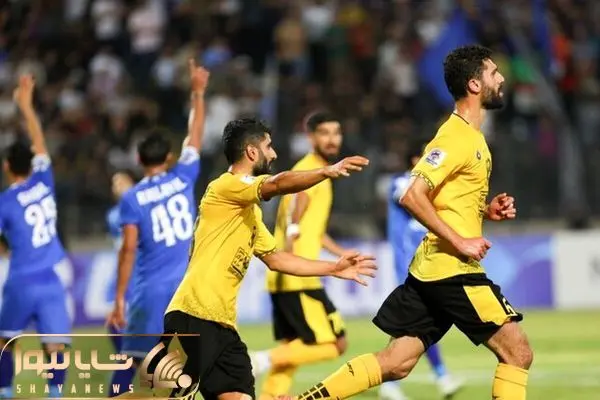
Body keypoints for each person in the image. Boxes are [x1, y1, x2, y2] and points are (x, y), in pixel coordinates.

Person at [281, 45, 532, 400]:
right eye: (493, 72)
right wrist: (460, 241)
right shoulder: (454, 138)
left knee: (396, 363)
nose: (502, 78)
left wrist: (485, 210)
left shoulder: (472, 138)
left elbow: (444, 199)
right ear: (474, 85)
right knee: (518, 353)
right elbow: (412, 196)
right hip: (452, 269)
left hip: (432, 270)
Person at [163, 117, 376, 400]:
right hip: (192, 316)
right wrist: (325, 171)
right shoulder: (225, 186)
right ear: (252, 152)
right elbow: (275, 184)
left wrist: (333, 268)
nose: (273, 153)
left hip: (224, 327)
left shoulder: (249, 212)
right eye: (268, 147)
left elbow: (277, 260)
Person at [105, 59, 208, 396]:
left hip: (151, 290)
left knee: (130, 360)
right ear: (168, 157)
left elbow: (128, 249)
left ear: (138, 160)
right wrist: (198, 93)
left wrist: (119, 298)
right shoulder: (183, 177)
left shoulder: (133, 199)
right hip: (188, 290)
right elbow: (195, 135)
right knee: (194, 365)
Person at [250, 112, 357, 400]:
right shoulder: (312, 171)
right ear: (310, 137)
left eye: (336, 132)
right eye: (324, 133)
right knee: (336, 343)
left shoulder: (311, 171)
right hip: (300, 276)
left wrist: (342, 253)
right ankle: (260, 360)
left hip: (286, 276)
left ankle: (270, 396)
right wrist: (293, 235)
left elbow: (316, 231)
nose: (332, 139)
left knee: (293, 346)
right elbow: (298, 207)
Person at [0, 75, 71, 398]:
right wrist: (27, 107)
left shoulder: (6, 201)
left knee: (5, 340)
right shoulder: (44, 180)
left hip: (22, 279)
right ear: (31, 163)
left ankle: (5, 391)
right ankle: (55, 394)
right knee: (55, 345)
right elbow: (40, 142)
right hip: (52, 279)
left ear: (6, 167)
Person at [380, 141, 462, 400]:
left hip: (429, 263)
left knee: (417, 322)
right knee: (421, 320)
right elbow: (409, 196)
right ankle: (438, 376)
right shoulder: (401, 183)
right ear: (415, 159)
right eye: (428, 156)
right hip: (409, 264)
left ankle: (395, 382)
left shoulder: (432, 186)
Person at [105, 171, 136, 353]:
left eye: (121, 183)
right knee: (114, 322)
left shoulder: (142, 207)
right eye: (114, 184)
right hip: (124, 272)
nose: (117, 187)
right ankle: (126, 358)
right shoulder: (112, 215)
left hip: (140, 272)